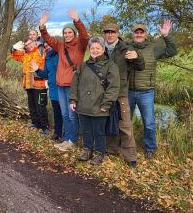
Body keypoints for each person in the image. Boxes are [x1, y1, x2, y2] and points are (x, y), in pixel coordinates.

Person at [39, 9, 90, 151]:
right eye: (65, 33)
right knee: (65, 114)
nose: (67, 35)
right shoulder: (60, 46)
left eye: (70, 32)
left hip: (73, 86)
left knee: (73, 116)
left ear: (74, 33)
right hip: (60, 86)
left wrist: (77, 21)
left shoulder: (80, 46)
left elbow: (85, 36)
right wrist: (42, 26)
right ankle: (67, 139)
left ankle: (72, 141)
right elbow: (48, 39)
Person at [128, 20, 177, 159]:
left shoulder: (153, 48)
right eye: (136, 32)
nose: (138, 34)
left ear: (145, 34)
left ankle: (150, 148)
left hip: (146, 92)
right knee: (125, 121)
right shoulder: (127, 47)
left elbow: (172, 50)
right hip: (128, 91)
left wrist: (166, 36)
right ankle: (125, 144)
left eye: (141, 32)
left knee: (148, 122)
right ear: (133, 34)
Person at [69, 37, 120, 165]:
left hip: (99, 106)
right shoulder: (84, 65)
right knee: (86, 130)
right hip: (83, 105)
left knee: (99, 132)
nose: (95, 50)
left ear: (103, 49)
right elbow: (75, 83)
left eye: (98, 48)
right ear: (89, 49)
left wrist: (106, 104)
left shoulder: (110, 66)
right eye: (92, 48)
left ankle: (99, 153)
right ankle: (87, 150)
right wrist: (73, 100)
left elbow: (113, 87)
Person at [102, 23, 145, 167]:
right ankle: (111, 149)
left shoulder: (125, 48)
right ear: (104, 34)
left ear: (117, 33)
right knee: (108, 122)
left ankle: (130, 157)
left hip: (121, 93)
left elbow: (140, 66)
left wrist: (137, 56)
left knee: (125, 125)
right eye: (107, 32)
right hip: (104, 93)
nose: (110, 34)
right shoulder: (101, 49)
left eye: (112, 32)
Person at [10, 38, 49, 134]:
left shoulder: (40, 51)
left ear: (33, 43)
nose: (26, 46)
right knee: (32, 106)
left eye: (27, 44)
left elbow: (45, 51)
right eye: (25, 45)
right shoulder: (25, 54)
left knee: (41, 106)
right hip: (29, 83)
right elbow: (14, 55)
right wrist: (15, 47)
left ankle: (45, 127)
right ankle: (36, 123)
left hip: (39, 84)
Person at [32, 43, 63, 141]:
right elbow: (46, 74)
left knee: (66, 114)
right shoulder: (47, 58)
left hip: (63, 88)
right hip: (53, 89)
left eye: (49, 45)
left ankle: (68, 135)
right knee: (56, 112)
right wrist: (37, 70)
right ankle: (57, 132)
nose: (47, 47)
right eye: (45, 46)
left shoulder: (61, 55)